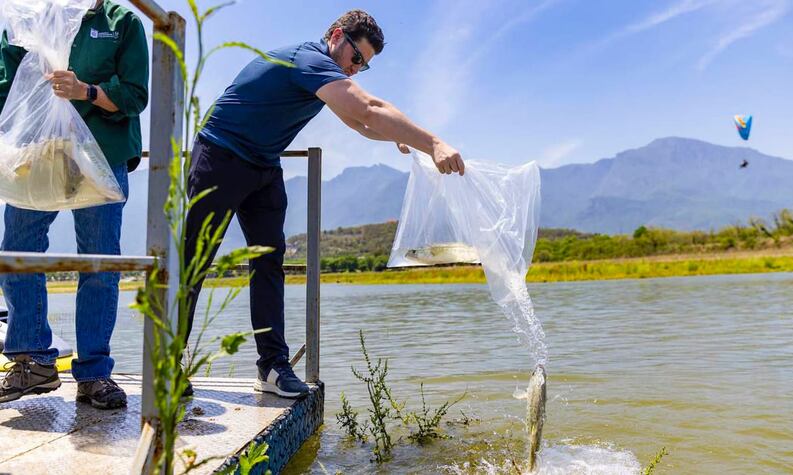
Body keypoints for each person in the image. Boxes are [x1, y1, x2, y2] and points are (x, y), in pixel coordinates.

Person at [184, 9, 464, 399]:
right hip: (219, 155)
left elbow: (360, 122)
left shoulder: (325, 73)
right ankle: (170, 360)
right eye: (356, 59)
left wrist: (401, 139)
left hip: (263, 165)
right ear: (336, 36)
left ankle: (272, 367)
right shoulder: (308, 59)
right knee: (193, 261)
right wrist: (433, 143)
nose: (354, 70)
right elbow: (367, 109)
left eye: (363, 67)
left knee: (269, 263)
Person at [0, 0, 149, 409]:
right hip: (38, 151)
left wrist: (85, 91)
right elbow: (4, 82)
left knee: (99, 262)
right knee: (17, 251)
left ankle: (95, 374)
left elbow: (135, 96)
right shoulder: (35, 19)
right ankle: (33, 362)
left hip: (101, 156)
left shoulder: (123, 22)